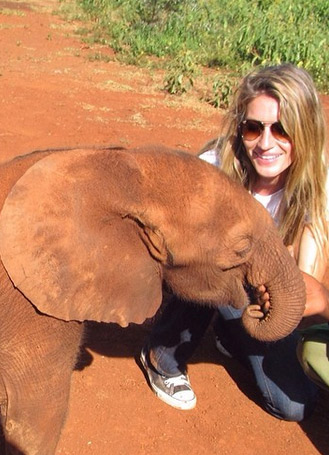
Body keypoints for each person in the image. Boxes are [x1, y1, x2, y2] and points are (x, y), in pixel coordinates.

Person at [138, 63, 329, 421]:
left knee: (294, 406)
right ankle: (162, 355)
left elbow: (303, 285)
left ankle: (232, 332)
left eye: (283, 130)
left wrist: (303, 296)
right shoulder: (212, 169)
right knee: (206, 254)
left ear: (304, 130)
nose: (266, 143)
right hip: (202, 276)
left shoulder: (318, 185)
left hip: (257, 294)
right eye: (253, 128)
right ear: (240, 128)